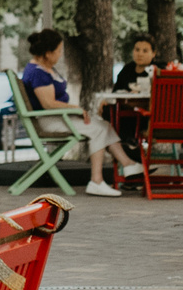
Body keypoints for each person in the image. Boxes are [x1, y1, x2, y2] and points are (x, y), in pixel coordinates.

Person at [22, 28, 142, 199]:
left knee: (104, 125)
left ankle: (128, 164)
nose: (60, 55)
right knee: (97, 130)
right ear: (48, 53)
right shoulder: (38, 72)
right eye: (59, 51)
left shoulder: (45, 68)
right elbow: (48, 104)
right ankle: (96, 181)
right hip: (49, 120)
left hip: (58, 117)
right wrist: (76, 109)